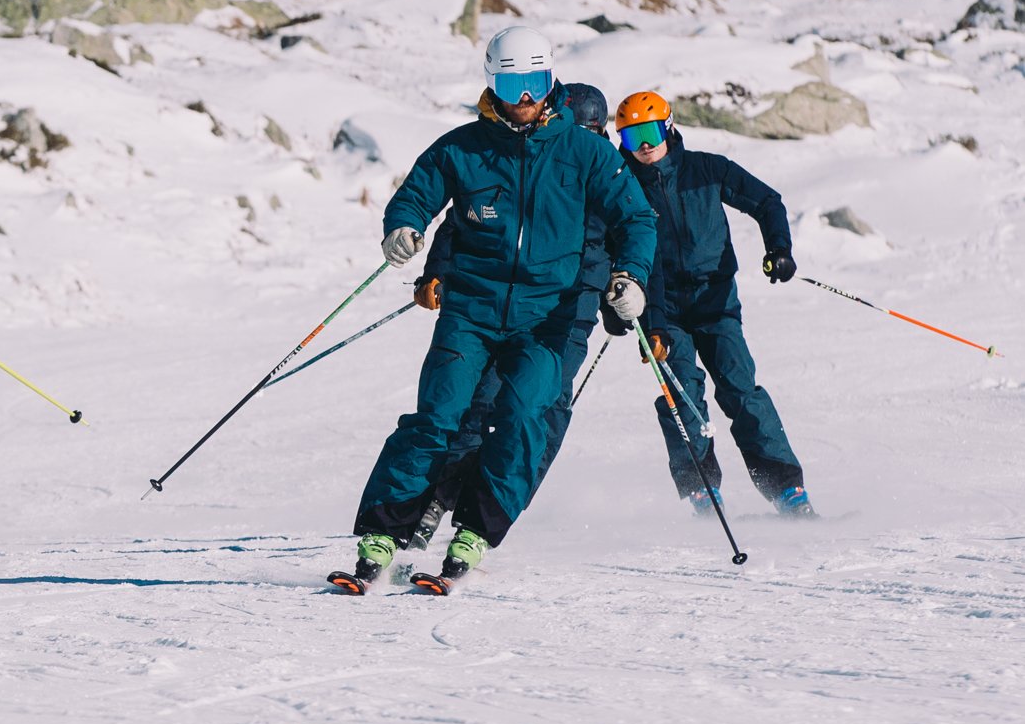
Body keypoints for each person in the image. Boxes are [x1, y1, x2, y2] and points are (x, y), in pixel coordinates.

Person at [335, 29, 657, 594]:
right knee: (437, 418)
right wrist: (403, 229)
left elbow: (636, 218)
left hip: (549, 316)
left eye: (534, 82)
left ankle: (474, 533)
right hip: (472, 310)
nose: (526, 96)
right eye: (513, 84)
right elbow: (415, 195)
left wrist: (631, 277)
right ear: (492, 82)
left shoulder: (586, 151)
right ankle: (383, 536)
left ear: (550, 78)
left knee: (525, 416)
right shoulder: (462, 147)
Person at [410, 82, 617, 541]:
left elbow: (639, 238)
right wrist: (437, 272)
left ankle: (490, 513)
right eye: (578, 127)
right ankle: (438, 500)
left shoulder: (607, 170)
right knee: (478, 400)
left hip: (573, 309)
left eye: (594, 129)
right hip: (512, 300)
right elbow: (464, 220)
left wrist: (630, 298)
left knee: (542, 410)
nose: (584, 137)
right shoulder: (537, 159)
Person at [611, 91, 813, 516]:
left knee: (741, 389)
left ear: (667, 126)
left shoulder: (706, 169)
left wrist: (779, 248)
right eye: (631, 139)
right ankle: (703, 492)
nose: (643, 146)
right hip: (661, 311)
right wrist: (630, 314)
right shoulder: (622, 189)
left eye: (649, 133)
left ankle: (787, 491)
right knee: (681, 394)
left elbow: (767, 202)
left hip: (716, 301)